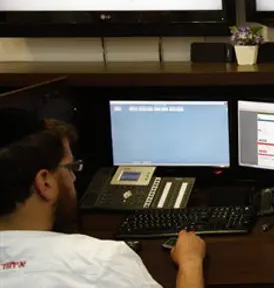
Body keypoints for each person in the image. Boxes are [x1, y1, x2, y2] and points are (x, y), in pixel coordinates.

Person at [0, 109, 207, 288]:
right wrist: (190, 262)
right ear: (45, 183)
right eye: (71, 168)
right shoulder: (100, 261)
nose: (73, 178)